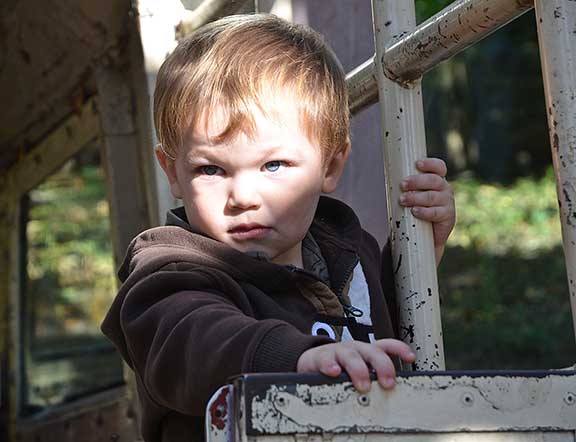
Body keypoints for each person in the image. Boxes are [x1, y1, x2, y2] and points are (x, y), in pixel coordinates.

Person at [101, 13, 455, 442]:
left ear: (331, 164)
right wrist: (296, 359)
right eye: (211, 169)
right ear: (173, 173)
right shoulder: (170, 276)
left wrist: (422, 246)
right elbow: (192, 343)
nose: (244, 196)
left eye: (274, 165)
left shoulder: (348, 255)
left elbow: (387, 337)